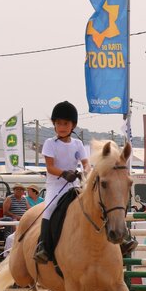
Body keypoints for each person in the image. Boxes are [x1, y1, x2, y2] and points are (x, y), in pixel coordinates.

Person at [34, 101, 89, 264]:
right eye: (58, 123)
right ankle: (43, 246)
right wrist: (65, 173)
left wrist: (86, 172)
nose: (62, 126)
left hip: (74, 184)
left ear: (73, 125)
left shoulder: (78, 144)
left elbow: (86, 163)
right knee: (49, 208)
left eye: (66, 123)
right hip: (56, 185)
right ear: (54, 125)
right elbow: (50, 167)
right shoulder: (50, 143)